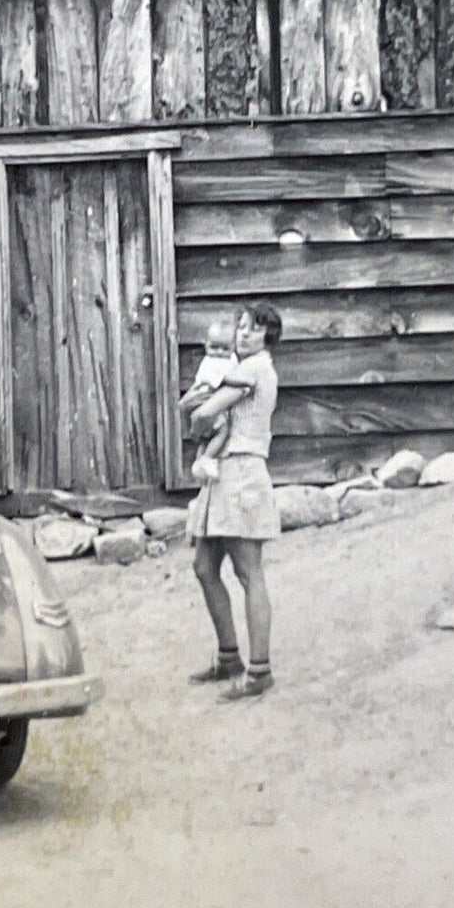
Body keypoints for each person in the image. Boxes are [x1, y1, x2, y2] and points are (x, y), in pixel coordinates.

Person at [185, 300, 282, 701]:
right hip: (221, 475)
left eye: (254, 328)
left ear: (268, 337)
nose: (244, 333)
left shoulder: (255, 367)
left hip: (242, 472)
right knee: (205, 566)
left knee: (248, 572)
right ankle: (229, 657)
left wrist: (197, 420)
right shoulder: (236, 369)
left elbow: (204, 413)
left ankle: (260, 671)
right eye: (241, 326)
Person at [179, 318, 236, 483]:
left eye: (225, 348)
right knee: (222, 430)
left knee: (205, 440)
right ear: (206, 346)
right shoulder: (215, 362)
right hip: (204, 400)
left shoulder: (226, 360)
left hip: (203, 400)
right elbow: (215, 383)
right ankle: (207, 459)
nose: (219, 352)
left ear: (233, 347)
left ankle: (200, 465)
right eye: (214, 347)